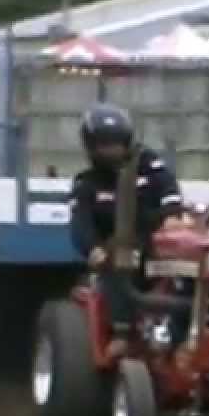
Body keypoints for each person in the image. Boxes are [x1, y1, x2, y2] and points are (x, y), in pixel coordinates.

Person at [69, 103, 185, 355]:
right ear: (91, 147)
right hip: (117, 248)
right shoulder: (86, 183)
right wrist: (93, 248)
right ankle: (122, 331)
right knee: (119, 258)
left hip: (154, 242)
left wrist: (171, 215)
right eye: (105, 145)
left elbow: (167, 187)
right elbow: (80, 223)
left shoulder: (147, 163)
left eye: (117, 144)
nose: (113, 151)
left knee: (187, 269)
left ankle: (185, 328)